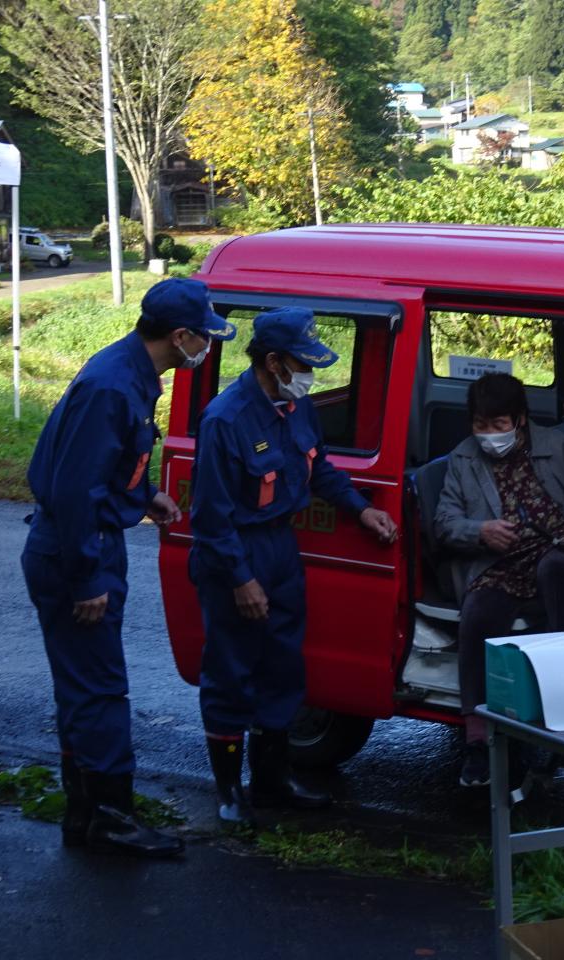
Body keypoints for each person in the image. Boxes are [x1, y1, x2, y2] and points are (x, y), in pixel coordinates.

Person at [22, 276, 231, 857]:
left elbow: (106, 469)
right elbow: (73, 489)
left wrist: (143, 499)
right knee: (101, 688)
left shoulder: (132, 373)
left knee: (84, 687)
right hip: (74, 549)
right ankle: (110, 818)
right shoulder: (115, 385)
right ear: (181, 335)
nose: (208, 348)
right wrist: (86, 575)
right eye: (205, 338)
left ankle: (85, 814)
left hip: (83, 538)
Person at [189, 307, 398, 827]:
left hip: (281, 549)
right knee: (232, 672)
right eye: (302, 365)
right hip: (235, 554)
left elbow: (318, 466)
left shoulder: (294, 407)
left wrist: (361, 507)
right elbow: (210, 520)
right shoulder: (226, 419)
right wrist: (242, 580)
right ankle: (228, 789)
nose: (309, 376)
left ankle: (272, 780)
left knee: (283, 669)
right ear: (274, 362)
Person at [434, 373, 564, 787]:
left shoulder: (561, 449)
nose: (488, 435)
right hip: (500, 560)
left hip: (562, 549)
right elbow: (445, 522)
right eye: (480, 425)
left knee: (555, 570)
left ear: (519, 419)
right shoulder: (463, 459)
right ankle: (479, 741)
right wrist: (479, 530)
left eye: (498, 425)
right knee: (477, 613)